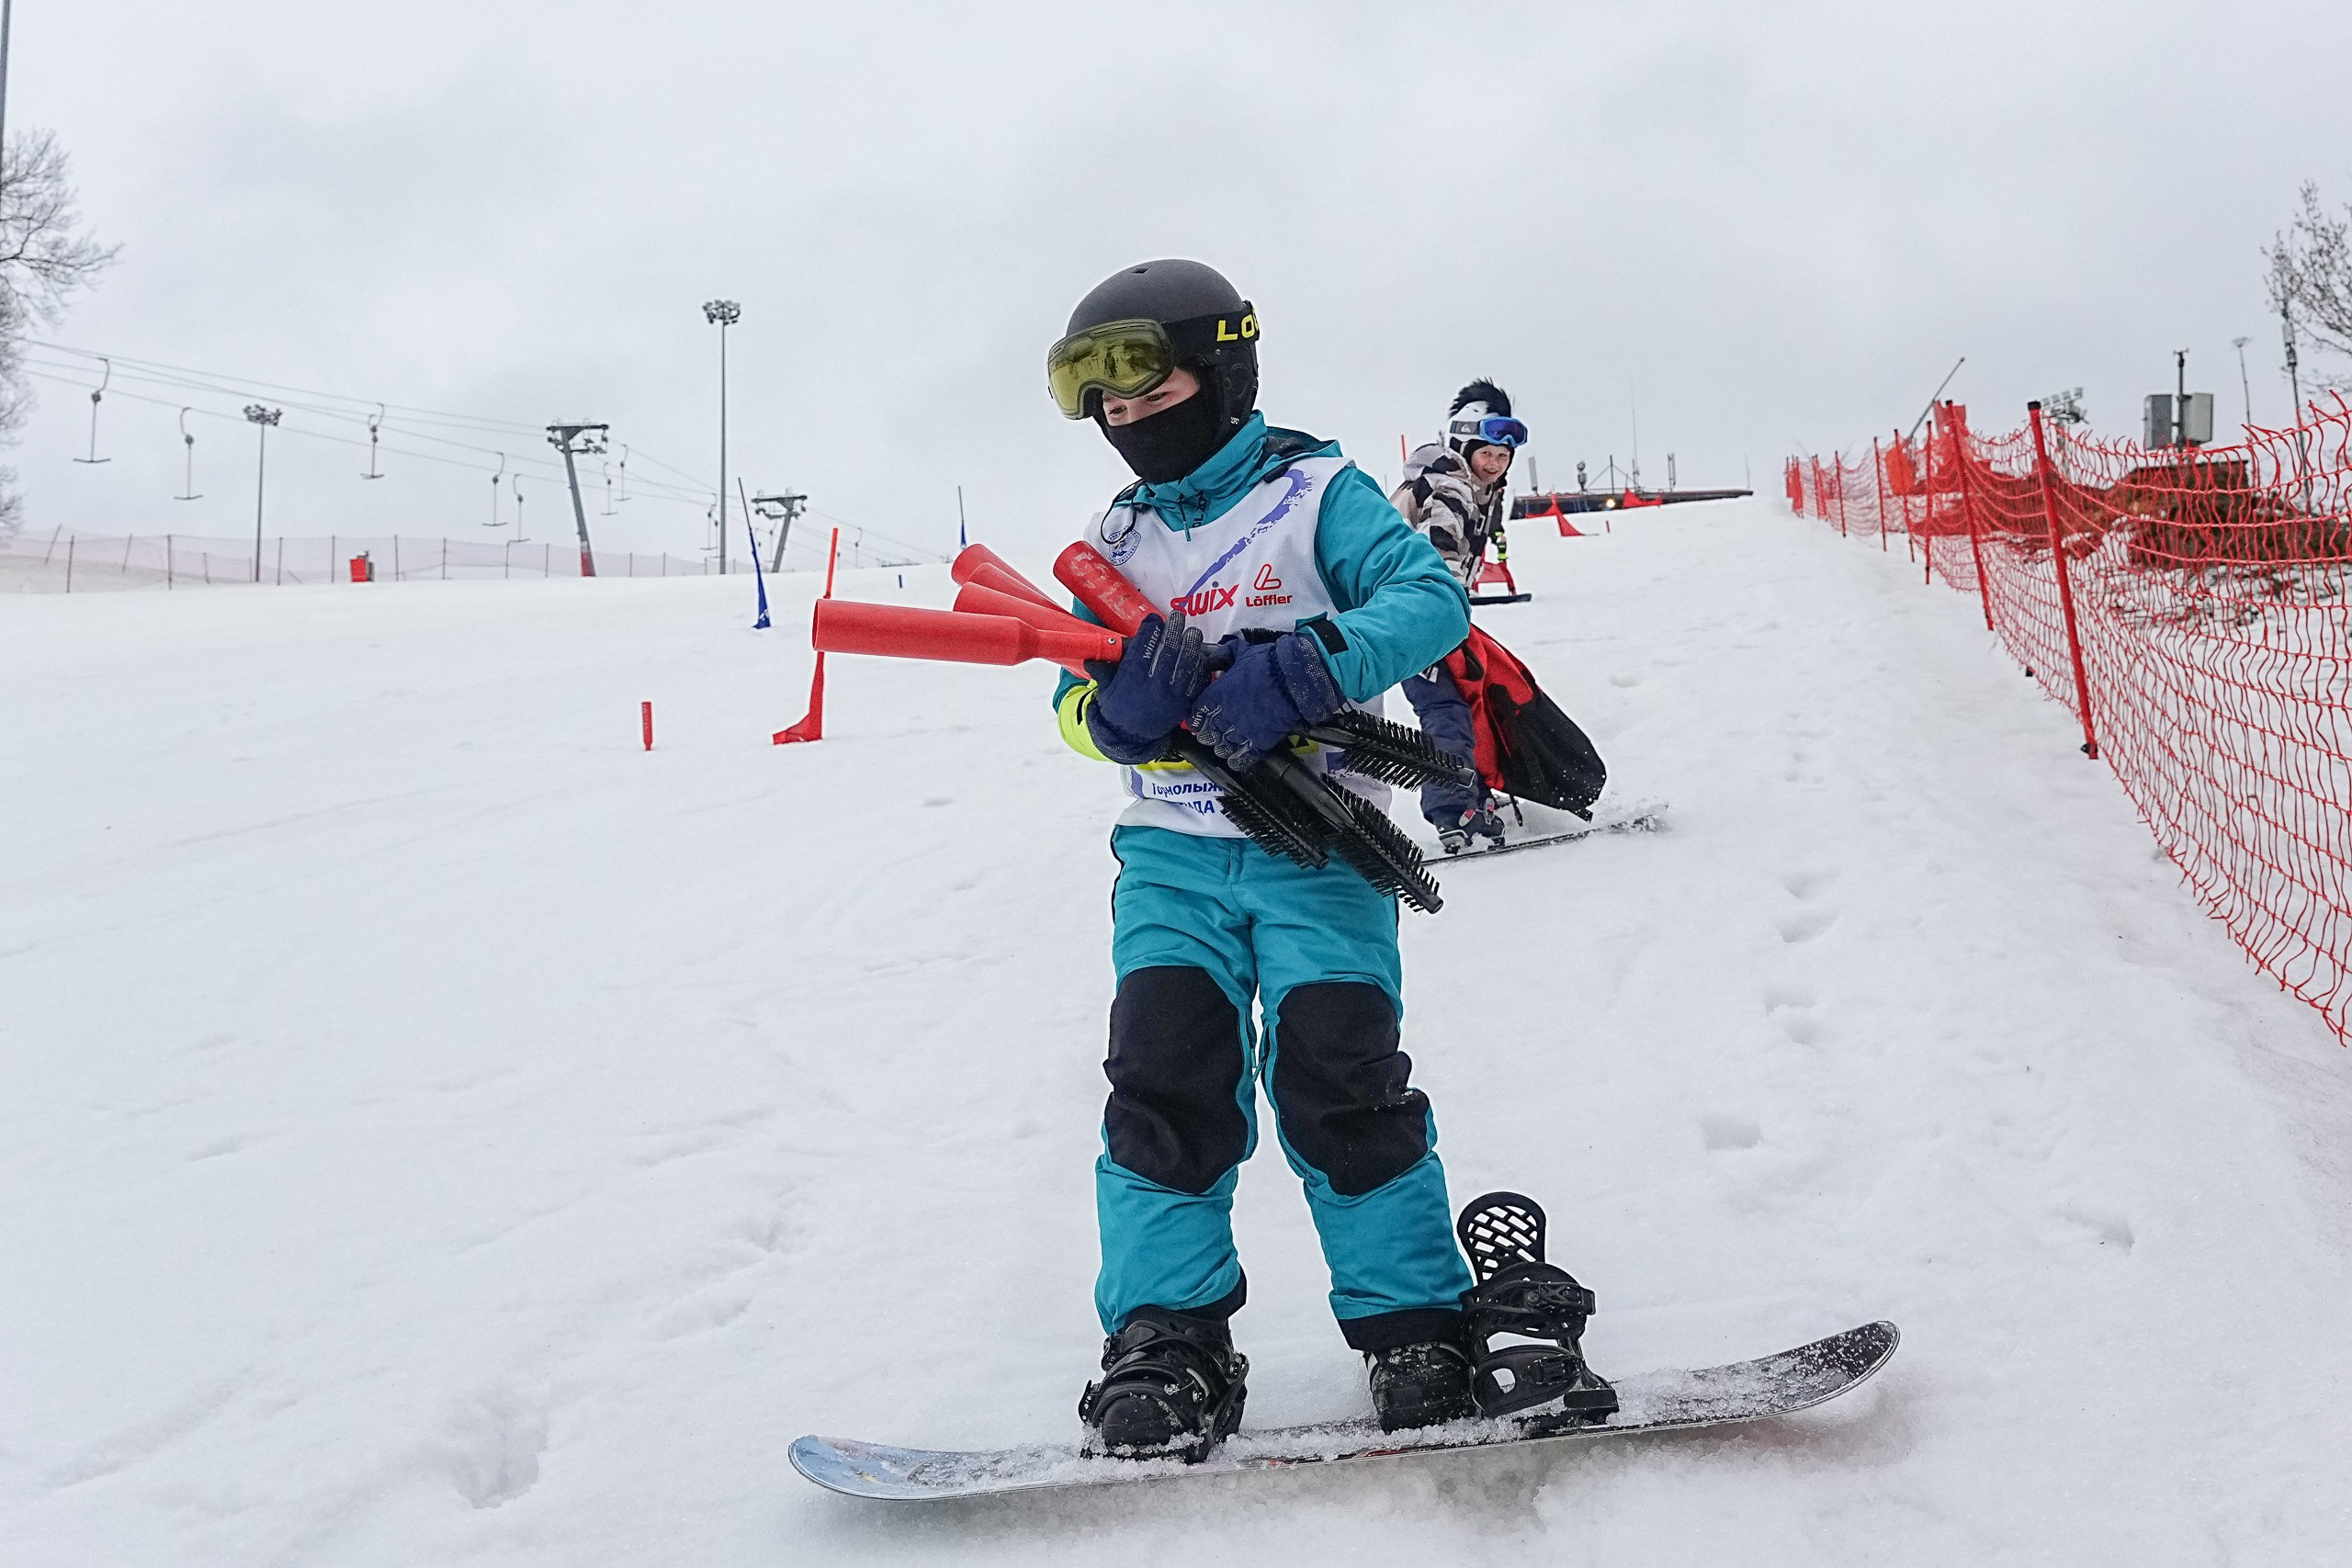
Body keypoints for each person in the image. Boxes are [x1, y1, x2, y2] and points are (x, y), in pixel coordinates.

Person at [1044, 259, 1483, 1459]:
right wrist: (1114, 716)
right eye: (1097, 396)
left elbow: (1430, 598)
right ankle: (1168, 1336)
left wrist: (1307, 663)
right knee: (1165, 1085)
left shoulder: (1315, 493)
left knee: (1341, 1080)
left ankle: (1414, 1321)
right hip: (1173, 863)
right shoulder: (1118, 538)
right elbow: (1068, 708)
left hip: (1320, 854)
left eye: (1141, 379)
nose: (1121, 414)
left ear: (1222, 366)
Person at [1388, 381, 1531, 852]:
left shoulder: (1478, 490)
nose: (1494, 464)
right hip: (1407, 616)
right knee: (1445, 708)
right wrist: (1439, 620)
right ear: (1465, 446)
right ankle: (1452, 809)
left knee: (1471, 702)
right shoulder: (1449, 483)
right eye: (1487, 453)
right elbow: (1439, 552)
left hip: (1428, 615)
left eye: (1503, 458)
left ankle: (1473, 794)